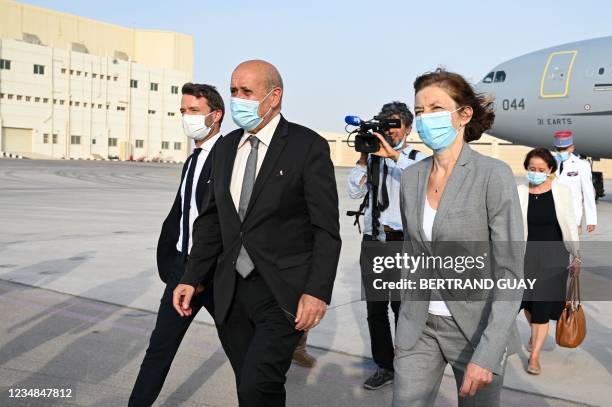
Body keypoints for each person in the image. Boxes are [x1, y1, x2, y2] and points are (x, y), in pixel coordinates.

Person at [172, 60, 341, 407]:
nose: (237, 99)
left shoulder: (307, 146)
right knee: (256, 388)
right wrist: (191, 276)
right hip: (230, 293)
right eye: (234, 91)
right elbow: (211, 221)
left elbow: (326, 229)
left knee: (255, 386)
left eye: (246, 92)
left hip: (282, 294)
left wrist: (317, 291)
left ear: (274, 96)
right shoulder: (225, 147)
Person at [393, 69, 525, 407]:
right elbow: (413, 255)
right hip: (418, 328)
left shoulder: (493, 176)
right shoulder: (410, 179)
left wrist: (489, 350)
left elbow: (511, 273)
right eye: (419, 112)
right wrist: (406, 320)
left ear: (463, 114)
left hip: (476, 330)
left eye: (436, 109)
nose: (425, 119)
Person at [129, 83, 225, 406]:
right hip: (183, 268)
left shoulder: (229, 160)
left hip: (215, 272)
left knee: (244, 354)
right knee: (159, 350)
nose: (187, 118)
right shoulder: (192, 160)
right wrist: (176, 265)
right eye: (183, 111)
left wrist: (201, 273)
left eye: (194, 111)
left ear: (216, 115)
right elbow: (182, 214)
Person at [347, 101, 425, 389]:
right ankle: (384, 365)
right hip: (373, 243)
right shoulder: (373, 157)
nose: (390, 131)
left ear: (407, 127)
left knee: (403, 308)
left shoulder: (416, 159)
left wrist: (394, 157)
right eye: (386, 124)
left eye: (395, 125)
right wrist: (364, 158)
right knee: (375, 310)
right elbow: (354, 191)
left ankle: (408, 364)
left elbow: (422, 185)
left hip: (402, 245)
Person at [518, 147, 581, 375]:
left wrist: (576, 255)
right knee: (527, 304)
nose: (535, 172)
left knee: (542, 306)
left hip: (554, 259)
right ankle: (535, 336)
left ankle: (534, 357)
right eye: (531, 168)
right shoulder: (519, 192)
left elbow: (570, 225)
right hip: (526, 257)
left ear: (550, 170)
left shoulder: (561, 192)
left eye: (540, 169)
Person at [553, 131, 597, 233]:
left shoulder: (582, 165)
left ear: (572, 148)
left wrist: (591, 220)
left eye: (564, 149)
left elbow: (588, 192)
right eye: (558, 149)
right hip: (553, 214)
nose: (560, 152)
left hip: (573, 215)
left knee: (571, 247)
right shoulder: (551, 163)